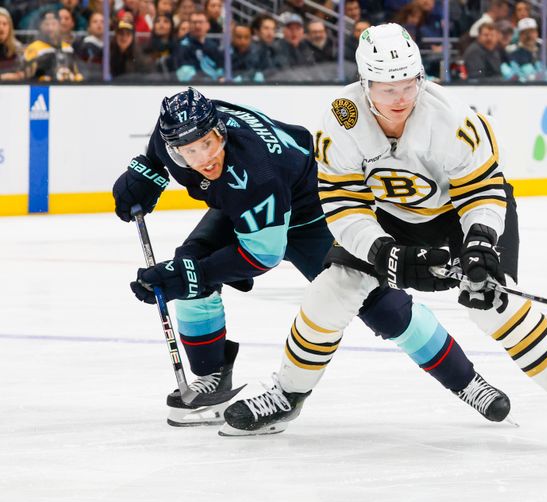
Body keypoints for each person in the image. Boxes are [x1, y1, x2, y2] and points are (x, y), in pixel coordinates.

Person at [220, 23, 547, 447]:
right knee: (332, 290)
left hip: (460, 215)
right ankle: (287, 394)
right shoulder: (342, 117)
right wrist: (382, 252)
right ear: (365, 82)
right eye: (386, 87)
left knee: (493, 305)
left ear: (420, 77)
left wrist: (481, 241)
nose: (400, 98)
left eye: (408, 84)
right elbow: (342, 204)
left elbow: (483, 190)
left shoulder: (452, 118)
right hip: (389, 216)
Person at [112, 87, 511, 428]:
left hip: (313, 211)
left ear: (222, 133)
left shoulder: (256, 171)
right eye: (188, 152)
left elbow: (260, 256)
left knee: (379, 304)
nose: (202, 160)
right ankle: (212, 377)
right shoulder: (183, 135)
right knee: (190, 263)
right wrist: (146, 173)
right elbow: (158, 148)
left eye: (208, 145)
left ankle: (467, 381)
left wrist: (187, 278)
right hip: (252, 205)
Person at [24, 11, 84, 82]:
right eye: (46, 24)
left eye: (54, 24)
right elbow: (28, 74)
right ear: (40, 26)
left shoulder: (68, 48)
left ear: (59, 25)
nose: (50, 28)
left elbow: (75, 72)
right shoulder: (33, 48)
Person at [0, 6, 25, 81]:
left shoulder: (17, 48)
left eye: (5, 24)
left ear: (10, 27)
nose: (1, 28)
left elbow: (23, 74)